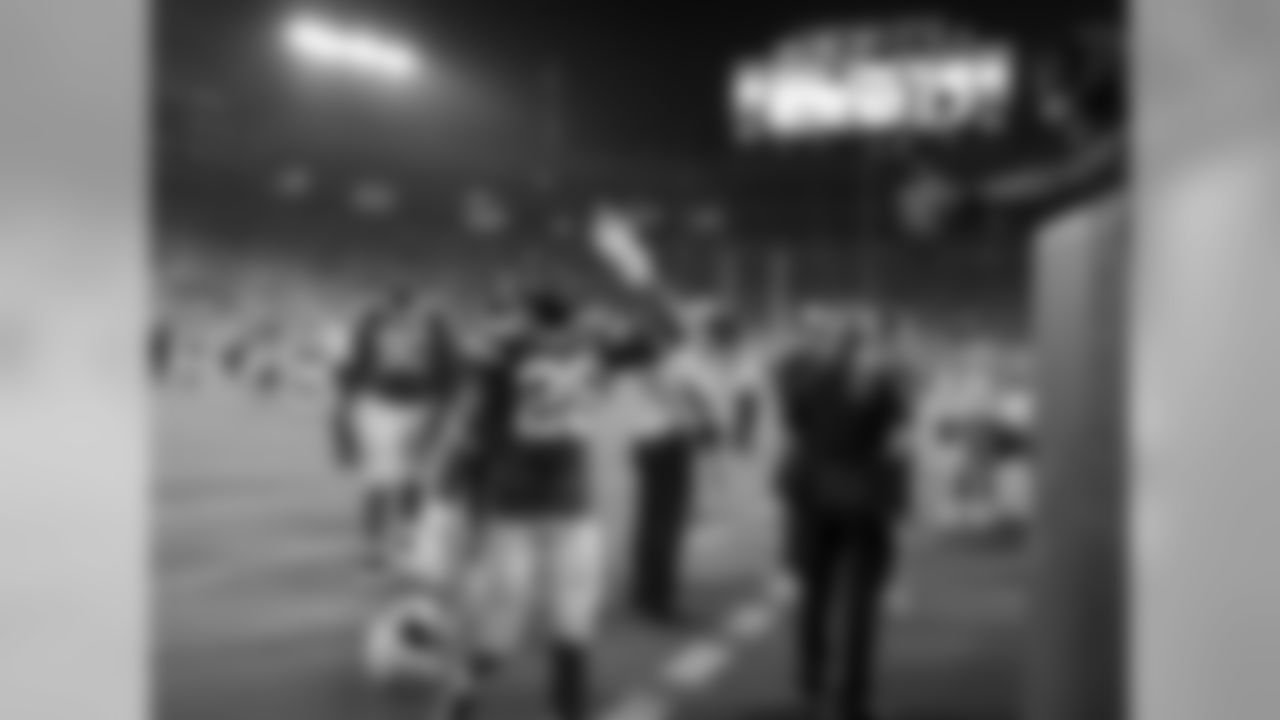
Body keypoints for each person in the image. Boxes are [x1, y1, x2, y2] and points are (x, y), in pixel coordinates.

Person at [446, 286, 612, 720]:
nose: (556, 337)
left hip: (554, 502)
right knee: (513, 610)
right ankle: (462, 686)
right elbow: (667, 333)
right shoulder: (516, 355)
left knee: (566, 608)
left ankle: (566, 703)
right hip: (529, 502)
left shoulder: (509, 353)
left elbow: (471, 422)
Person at [773, 311, 914, 720]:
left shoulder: (808, 381)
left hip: (815, 497)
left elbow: (794, 424)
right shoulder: (882, 384)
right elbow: (898, 433)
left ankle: (811, 685)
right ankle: (854, 695)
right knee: (861, 602)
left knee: (815, 595)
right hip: (864, 499)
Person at [330, 290, 466, 565]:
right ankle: (378, 544)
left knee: (410, 480)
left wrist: (442, 413)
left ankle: (405, 538)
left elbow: (451, 373)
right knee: (381, 481)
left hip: (417, 406)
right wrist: (343, 422)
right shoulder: (373, 322)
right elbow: (352, 371)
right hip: (383, 407)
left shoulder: (433, 324)